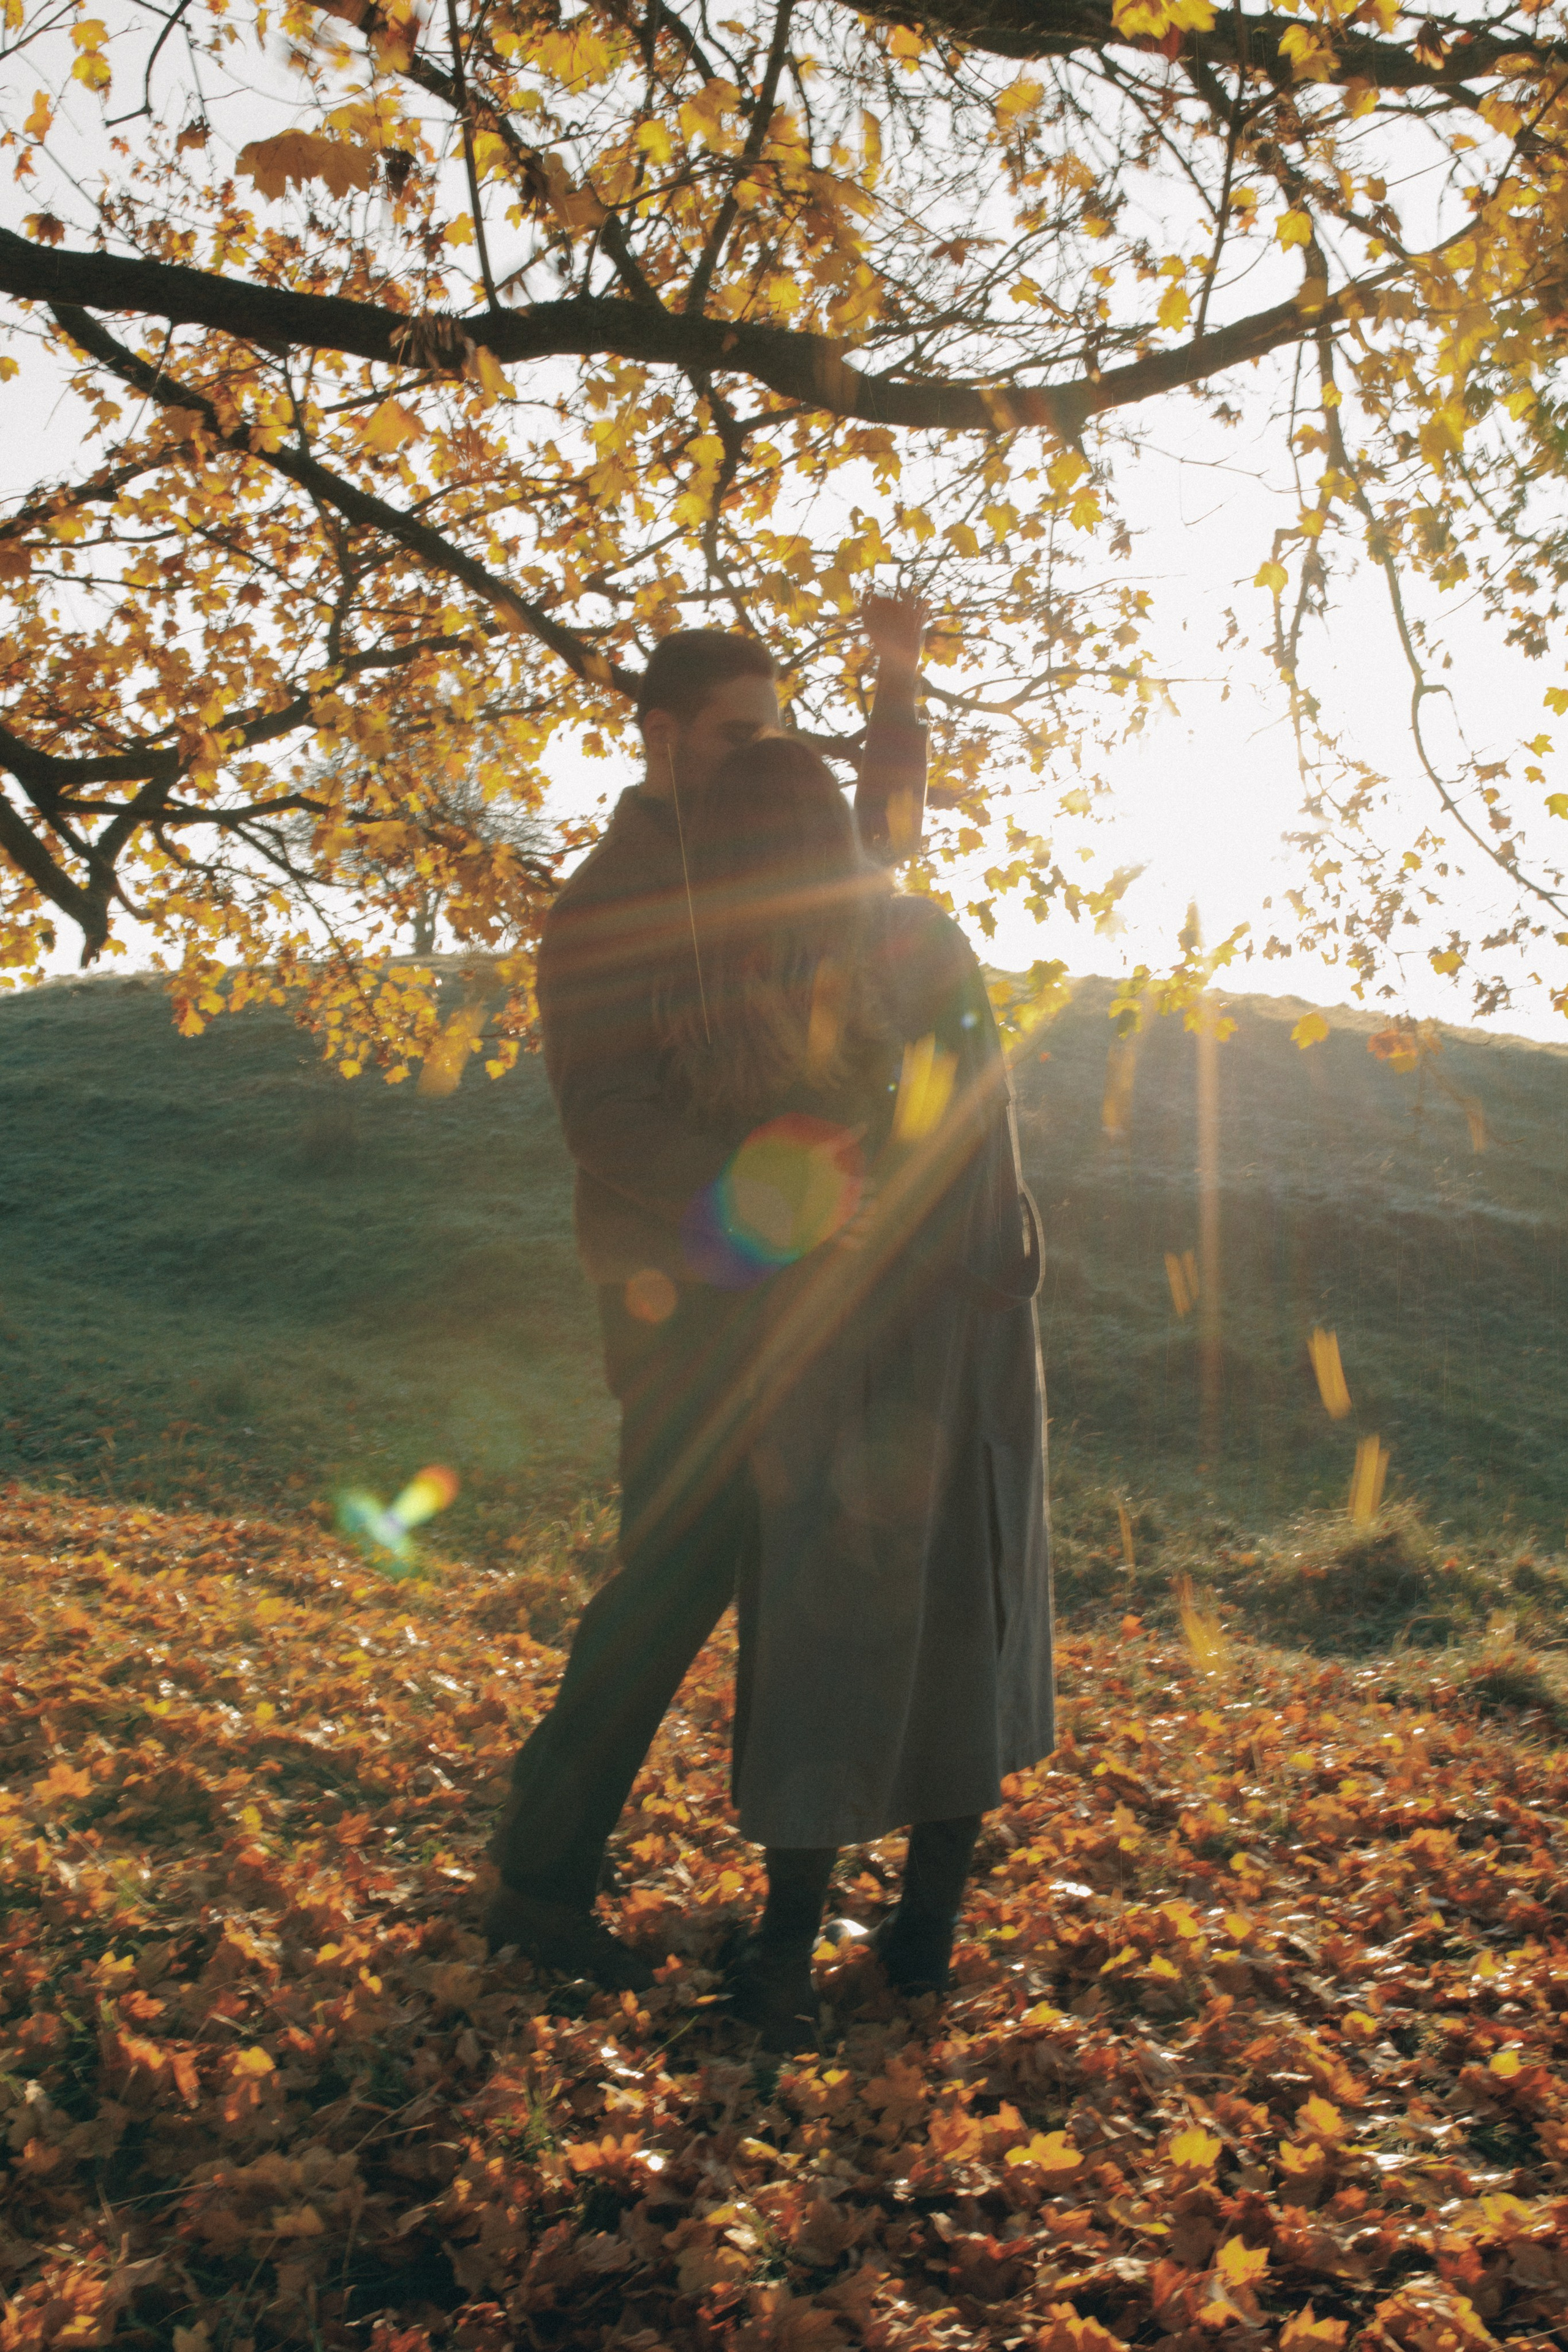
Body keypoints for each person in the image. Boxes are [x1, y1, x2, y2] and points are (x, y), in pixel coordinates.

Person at [485, 605, 929, 1987]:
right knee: (670, 1581)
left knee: (778, 1580)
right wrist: (774, 1208)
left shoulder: (774, 861)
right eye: (743, 735)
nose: (766, 758)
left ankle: (749, 1879)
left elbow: (885, 832)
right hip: (677, 1305)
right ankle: (538, 1878)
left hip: (791, 1303)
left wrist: (898, 680)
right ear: (661, 735)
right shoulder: (607, 902)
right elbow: (606, 1120)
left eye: (776, 734)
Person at [650, 734, 1054, 2046]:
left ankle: (784, 1954)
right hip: (939, 1331)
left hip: (824, 1341)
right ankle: (918, 1941)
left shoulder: (725, 981)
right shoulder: (903, 941)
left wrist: (797, 1217)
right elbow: (963, 1131)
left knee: (824, 1623)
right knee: (956, 1614)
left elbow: (725, 1198)